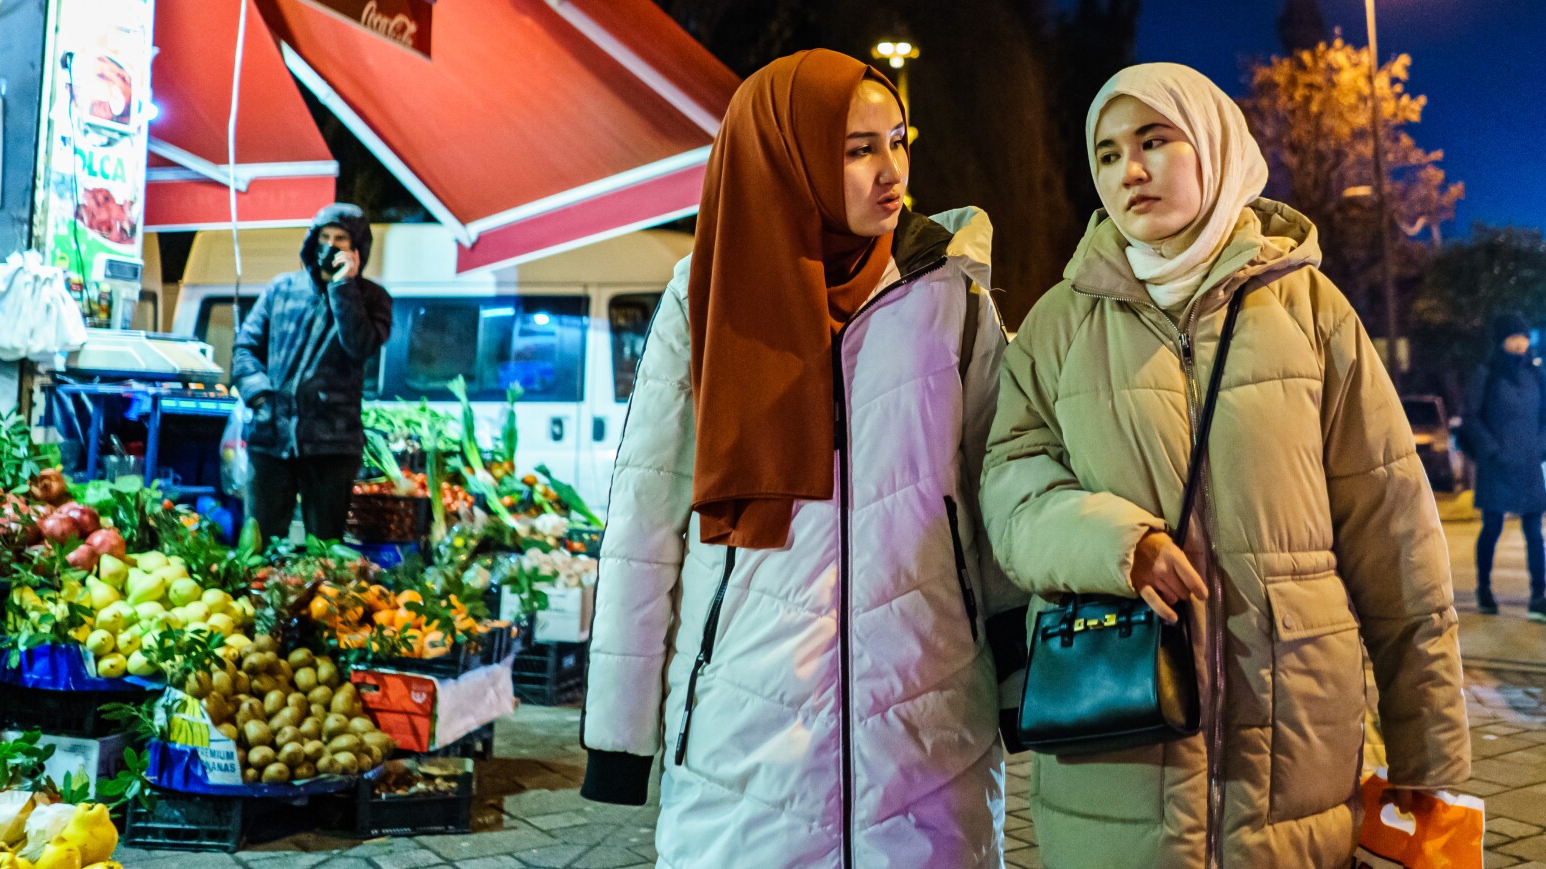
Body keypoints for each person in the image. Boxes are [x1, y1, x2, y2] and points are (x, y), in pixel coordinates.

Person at [982, 63, 1469, 869]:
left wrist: (1432, 761)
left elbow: (1400, 550)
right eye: (1106, 154)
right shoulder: (1059, 323)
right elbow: (1010, 487)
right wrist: (1113, 544)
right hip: (1117, 764)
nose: (1128, 170)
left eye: (1153, 140)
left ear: (1213, 146)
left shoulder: (1311, 312)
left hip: (1293, 761)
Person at [579, 50, 1019, 868]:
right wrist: (620, 737)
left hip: (928, 740)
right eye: (857, 149)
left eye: (898, 140)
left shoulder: (951, 297)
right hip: (743, 740)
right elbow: (645, 518)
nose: (891, 172)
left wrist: (1022, 682)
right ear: (789, 153)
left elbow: (998, 496)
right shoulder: (704, 293)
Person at [231, 203, 392, 542]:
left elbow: (360, 347)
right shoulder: (282, 289)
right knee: (257, 542)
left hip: (333, 444)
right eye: (324, 236)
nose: (330, 245)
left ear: (357, 248)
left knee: (325, 547)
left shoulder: (373, 299)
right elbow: (245, 348)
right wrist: (260, 396)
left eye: (341, 239)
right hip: (271, 436)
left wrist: (343, 289)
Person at [1464, 313, 1546, 623]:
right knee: (1491, 528)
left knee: (1534, 532)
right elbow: (1471, 417)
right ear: (1502, 340)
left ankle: (1539, 597)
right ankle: (1484, 590)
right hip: (1497, 465)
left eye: (1524, 337)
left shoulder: (1537, 375)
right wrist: (1492, 451)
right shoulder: (1487, 373)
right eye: (1513, 337)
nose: (1520, 343)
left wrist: (1540, 449)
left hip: (1530, 465)